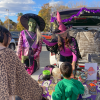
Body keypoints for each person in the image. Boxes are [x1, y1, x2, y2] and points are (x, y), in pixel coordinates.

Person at [0, 25, 46, 100]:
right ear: (3, 36)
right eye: (9, 36)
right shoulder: (7, 53)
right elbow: (23, 79)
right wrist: (39, 90)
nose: (10, 39)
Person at [43, 11, 81, 77]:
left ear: (67, 32)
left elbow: (74, 52)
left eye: (64, 33)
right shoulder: (58, 39)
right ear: (59, 34)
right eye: (61, 34)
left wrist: (73, 63)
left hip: (70, 58)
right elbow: (50, 44)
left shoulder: (72, 40)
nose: (63, 35)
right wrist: (43, 39)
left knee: (71, 74)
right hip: (62, 58)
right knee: (62, 74)